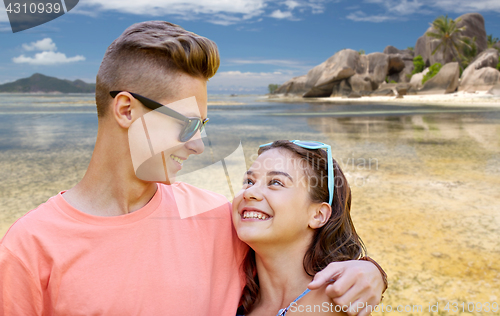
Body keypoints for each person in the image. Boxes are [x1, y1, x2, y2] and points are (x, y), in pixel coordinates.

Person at [0, 21, 386, 315]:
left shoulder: (218, 219)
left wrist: (370, 273)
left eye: (201, 127)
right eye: (187, 124)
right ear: (126, 110)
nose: (198, 145)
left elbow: (298, 253)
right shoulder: (29, 250)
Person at [233, 140, 377, 315]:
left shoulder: (335, 304)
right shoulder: (231, 299)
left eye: (276, 182)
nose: (249, 192)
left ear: (318, 215)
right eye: (249, 181)